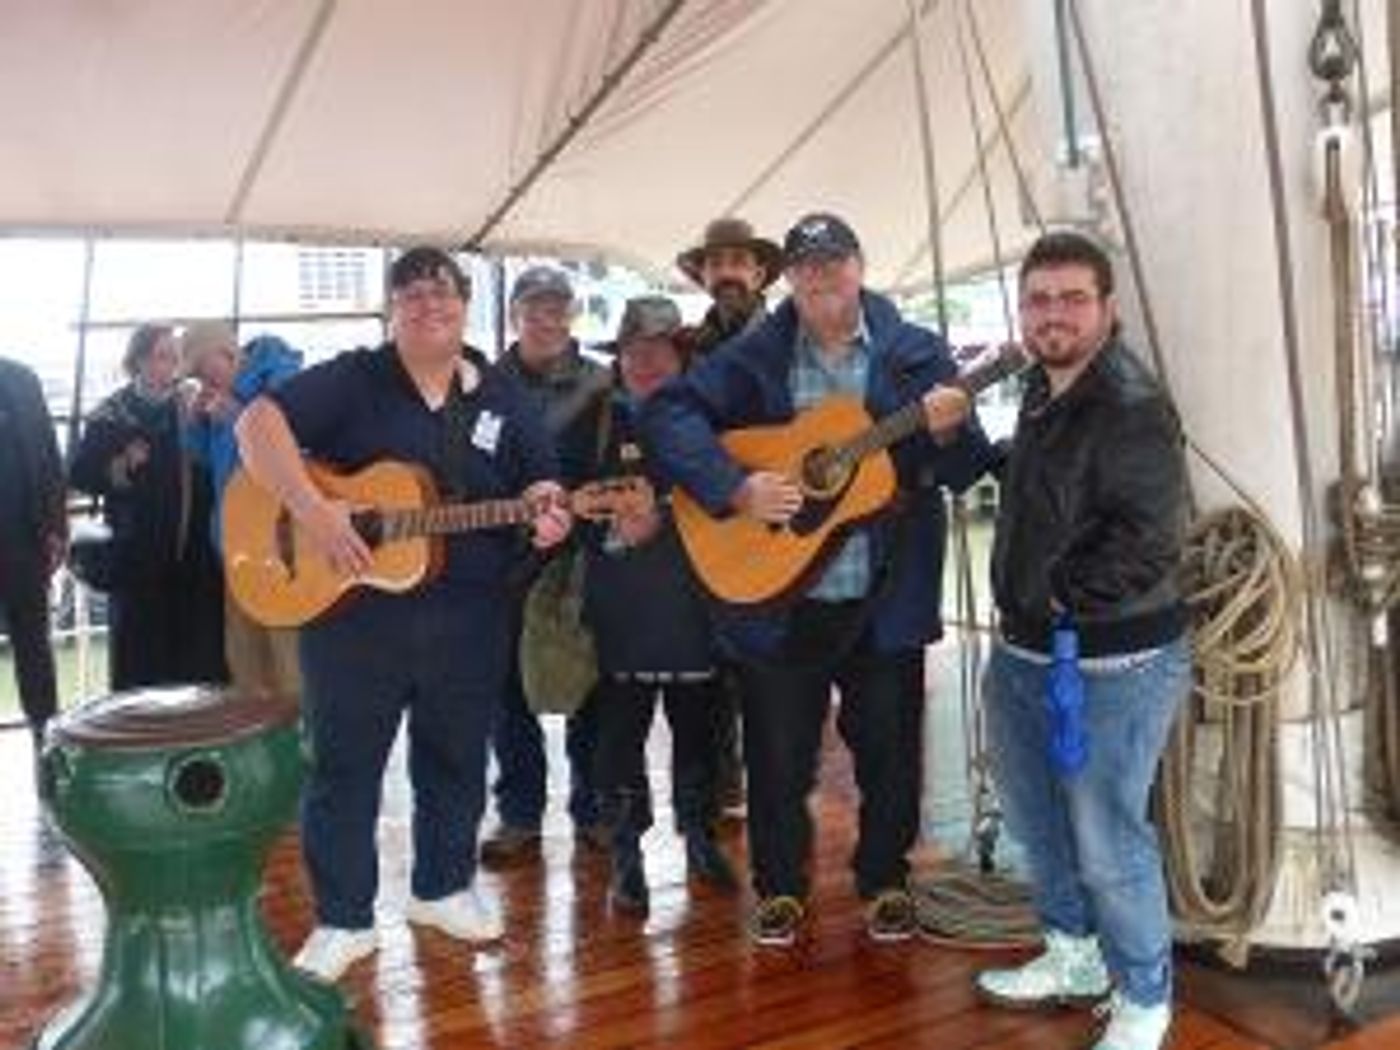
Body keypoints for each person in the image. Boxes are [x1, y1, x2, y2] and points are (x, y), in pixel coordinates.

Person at [641, 212, 996, 947]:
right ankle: (779, 888)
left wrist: (950, 427)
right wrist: (734, 486)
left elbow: (965, 472)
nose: (820, 276)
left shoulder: (915, 354)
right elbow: (667, 414)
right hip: (784, 601)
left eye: (834, 262)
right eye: (805, 266)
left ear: (859, 267)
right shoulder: (754, 355)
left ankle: (885, 880)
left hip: (885, 597)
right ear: (789, 279)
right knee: (776, 757)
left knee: (891, 754)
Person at [235, 246, 571, 983]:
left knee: (455, 756)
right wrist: (313, 508)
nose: (428, 303)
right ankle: (343, 920)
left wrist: (551, 512)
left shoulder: (501, 395)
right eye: (411, 293)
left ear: (465, 304)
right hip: (353, 617)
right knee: (343, 768)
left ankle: (442, 888)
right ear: (394, 309)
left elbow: (542, 475)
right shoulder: (354, 378)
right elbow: (256, 422)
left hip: (471, 612)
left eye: (442, 291)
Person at [972, 231, 1189, 1050]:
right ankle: (1074, 953)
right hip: (1027, 650)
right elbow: (1050, 494)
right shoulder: (1040, 387)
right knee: (1039, 821)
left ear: (1107, 310)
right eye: (1038, 299)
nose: (1052, 313)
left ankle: (1144, 996)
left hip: (1113, 659)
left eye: (1071, 298)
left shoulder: (1130, 406)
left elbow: (1146, 543)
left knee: (1106, 838)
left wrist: (1058, 598)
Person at [582, 296, 738, 915]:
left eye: (658, 349)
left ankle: (701, 839)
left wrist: (673, 518)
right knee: (617, 741)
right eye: (631, 350)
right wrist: (619, 531)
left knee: (702, 735)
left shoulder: (717, 418)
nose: (643, 361)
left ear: (682, 356)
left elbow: (741, 505)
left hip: (700, 607)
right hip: (621, 613)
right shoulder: (590, 423)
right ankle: (626, 855)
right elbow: (562, 510)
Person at [480, 265, 612, 866]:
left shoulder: (603, 384)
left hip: (582, 556)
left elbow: (616, 462)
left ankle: (594, 808)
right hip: (502, 556)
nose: (548, 317)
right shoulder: (482, 384)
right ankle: (519, 815)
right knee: (503, 690)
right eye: (536, 306)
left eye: (558, 306)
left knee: (590, 687)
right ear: (515, 314)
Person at [675, 216, 784, 821]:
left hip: (780, 512)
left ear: (761, 272)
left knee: (773, 663)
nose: (727, 273)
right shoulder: (688, 347)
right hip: (712, 510)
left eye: (738, 262)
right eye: (716, 264)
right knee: (712, 658)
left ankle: (778, 782)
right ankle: (725, 785)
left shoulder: (792, 333)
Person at [68, 324, 226, 690]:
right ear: (138, 362)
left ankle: (198, 739)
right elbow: (81, 473)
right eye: (161, 356)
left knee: (197, 660)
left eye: (174, 357)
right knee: (140, 662)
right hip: (137, 558)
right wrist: (121, 464)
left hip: (193, 556)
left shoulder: (190, 408)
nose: (170, 366)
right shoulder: (111, 414)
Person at [181, 322, 304, 699]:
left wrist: (237, 416)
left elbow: (297, 448)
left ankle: (299, 749)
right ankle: (258, 749)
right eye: (197, 375)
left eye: (204, 369)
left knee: (289, 661)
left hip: (283, 544)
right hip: (236, 544)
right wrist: (195, 425)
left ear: (228, 354)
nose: (203, 380)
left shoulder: (283, 381)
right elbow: (209, 459)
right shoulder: (221, 394)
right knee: (245, 660)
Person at [0, 357, 65, 753]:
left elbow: (47, 455)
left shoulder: (21, 379)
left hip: (23, 539)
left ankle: (47, 748)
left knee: (33, 648)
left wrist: (56, 527)